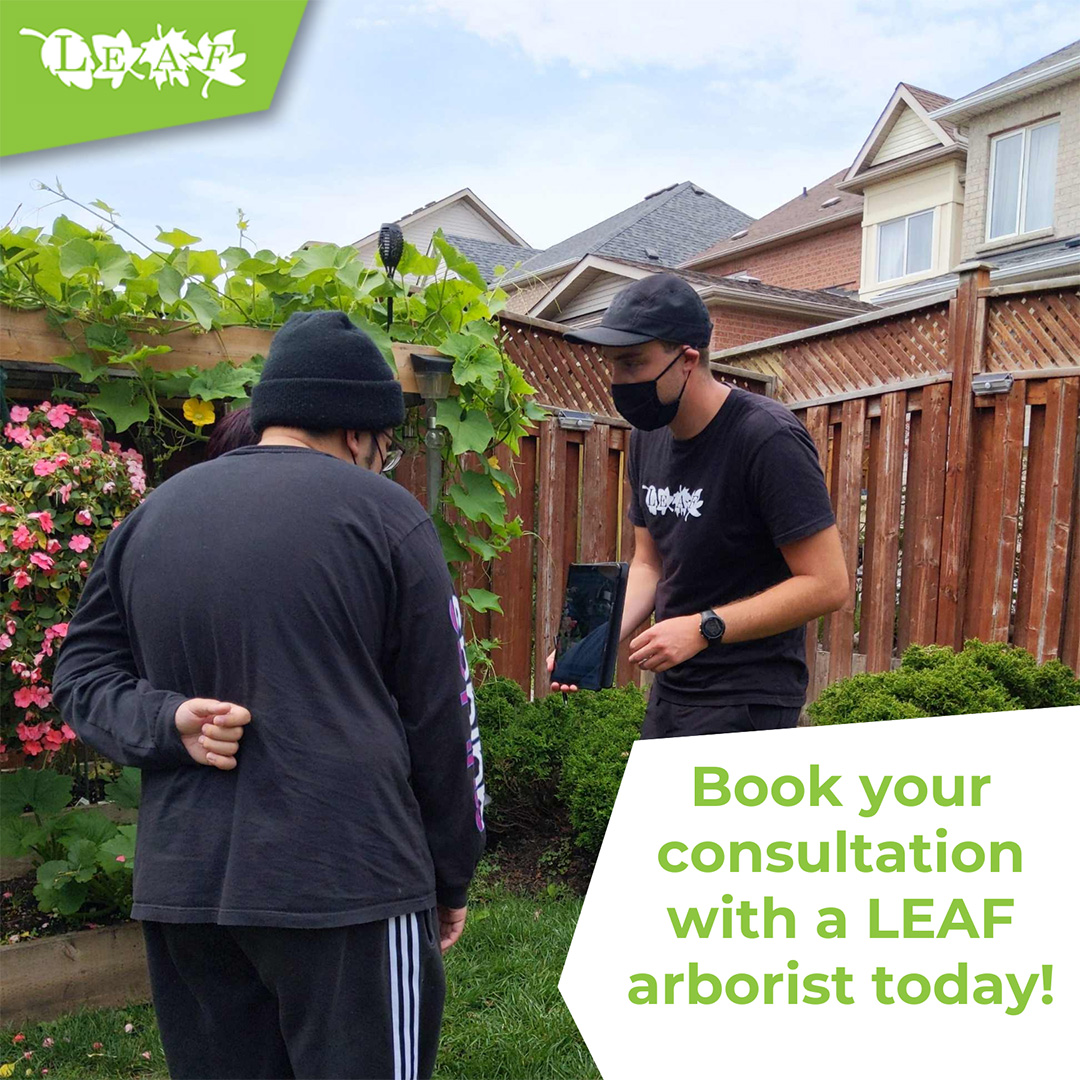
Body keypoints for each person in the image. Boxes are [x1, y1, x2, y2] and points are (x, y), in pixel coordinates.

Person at [53, 310, 485, 1080]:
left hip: (188, 894)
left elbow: (80, 678)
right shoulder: (386, 518)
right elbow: (443, 720)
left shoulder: (152, 517)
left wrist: (167, 721)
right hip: (349, 886)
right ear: (360, 434)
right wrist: (450, 873)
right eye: (387, 447)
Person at [551, 273, 848, 739]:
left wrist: (704, 628)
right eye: (613, 366)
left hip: (750, 698)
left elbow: (827, 584)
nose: (619, 381)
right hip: (675, 686)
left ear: (687, 358)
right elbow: (649, 564)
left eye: (632, 364)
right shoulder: (647, 438)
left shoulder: (767, 438)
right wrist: (596, 639)